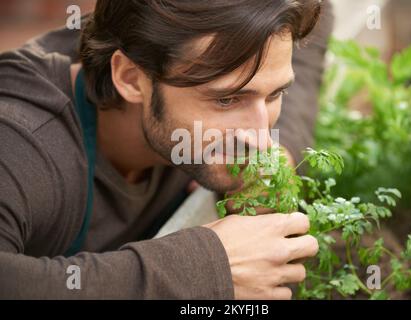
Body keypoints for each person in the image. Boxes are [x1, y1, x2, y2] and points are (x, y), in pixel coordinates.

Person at [0, 0, 333, 299]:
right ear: (130, 78)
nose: (261, 140)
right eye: (226, 99)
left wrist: (284, 150)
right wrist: (202, 268)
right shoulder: (21, 143)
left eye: (274, 95)